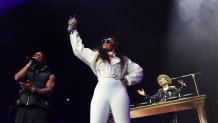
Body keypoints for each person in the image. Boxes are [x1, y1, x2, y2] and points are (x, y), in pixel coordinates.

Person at [68, 17, 143, 123]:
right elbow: (78, 49)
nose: (105, 42)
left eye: (108, 41)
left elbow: (139, 71)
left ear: (115, 45)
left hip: (119, 90)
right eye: (103, 41)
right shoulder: (95, 56)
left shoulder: (123, 59)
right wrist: (73, 29)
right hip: (101, 90)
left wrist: (127, 80)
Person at [14, 51, 55, 123]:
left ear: (44, 61)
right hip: (22, 108)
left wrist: (33, 89)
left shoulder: (49, 75)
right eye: (35, 55)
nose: (36, 56)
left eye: (39, 55)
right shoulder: (28, 70)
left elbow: (49, 90)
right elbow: (17, 78)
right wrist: (30, 63)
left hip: (37, 109)